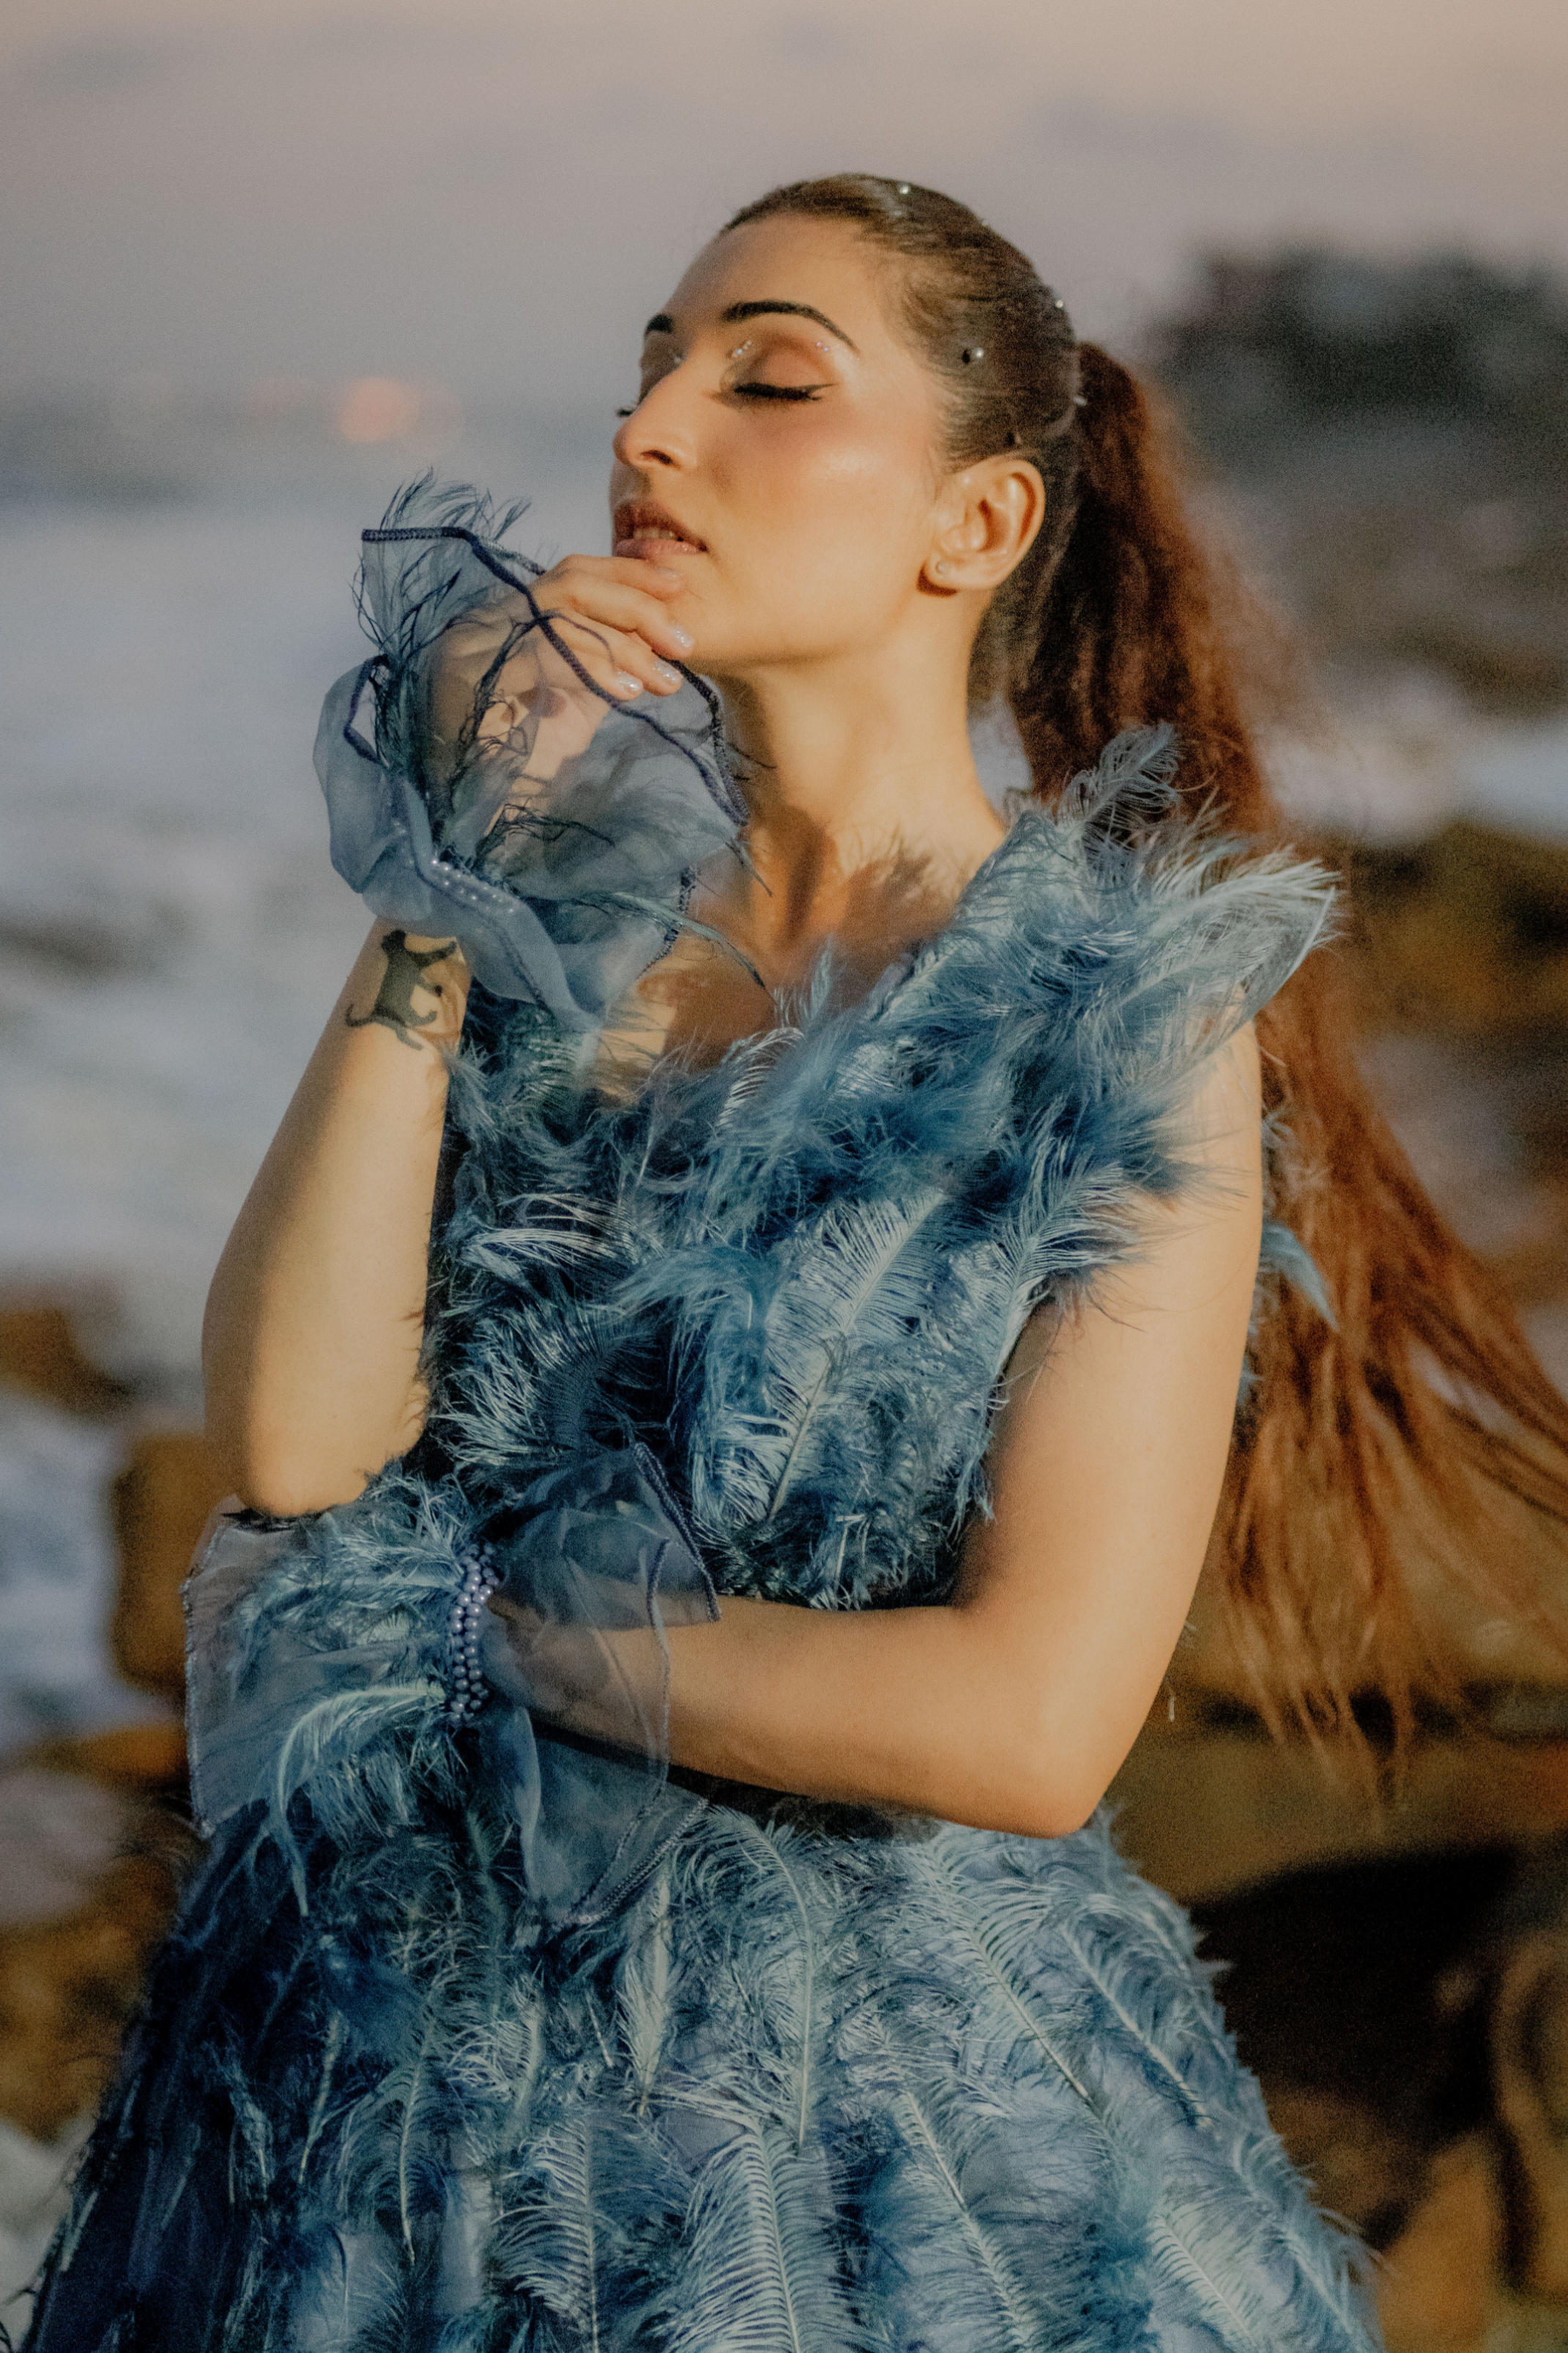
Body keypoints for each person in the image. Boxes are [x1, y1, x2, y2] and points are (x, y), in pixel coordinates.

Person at [25, 174, 1568, 2352]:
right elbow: (292, 1434)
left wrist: (468, 1620)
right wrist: (444, 896)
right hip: (352, 2124)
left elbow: (1028, 1721)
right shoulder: (556, 949)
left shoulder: (1114, 1006)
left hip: (847, 2160)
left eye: (763, 377)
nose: (652, 430)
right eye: (651, 368)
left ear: (976, 523)